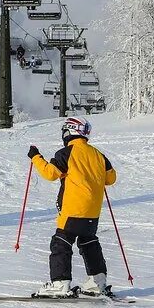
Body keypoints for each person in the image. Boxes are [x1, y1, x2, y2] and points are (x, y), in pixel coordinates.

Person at [27, 116, 116, 298]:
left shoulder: (66, 153)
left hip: (73, 208)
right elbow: (111, 178)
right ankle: (97, 282)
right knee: (88, 241)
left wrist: (36, 157)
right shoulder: (98, 154)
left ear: (69, 131)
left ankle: (59, 283)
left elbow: (50, 173)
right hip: (92, 211)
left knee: (61, 242)